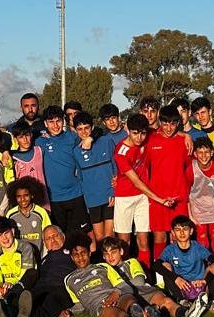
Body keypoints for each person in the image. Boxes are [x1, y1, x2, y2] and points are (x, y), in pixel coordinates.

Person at [61, 237, 166, 317]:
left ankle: (138, 313)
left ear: (89, 253)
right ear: (71, 257)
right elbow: (79, 304)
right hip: (100, 306)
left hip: (117, 297)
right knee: (117, 315)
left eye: (83, 253)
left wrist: (117, 292)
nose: (80, 257)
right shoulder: (69, 280)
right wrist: (69, 311)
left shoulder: (103, 267)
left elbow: (126, 287)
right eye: (76, 255)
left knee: (129, 299)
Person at [113, 115, 163, 265]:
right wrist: (159, 199)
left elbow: (166, 131)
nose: (139, 137)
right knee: (124, 242)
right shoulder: (120, 152)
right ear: (127, 130)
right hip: (124, 197)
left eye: (143, 133)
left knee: (143, 240)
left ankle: (147, 277)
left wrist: (185, 135)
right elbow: (136, 182)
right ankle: (126, 276)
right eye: (135, 133)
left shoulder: (147, 138)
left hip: (142, 197)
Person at [35, 106, 90, 232]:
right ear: (45, 124)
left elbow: (92, 134)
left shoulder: (72, 137)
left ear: (63, 121)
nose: (55, 125)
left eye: (58, 121)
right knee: (62, 236)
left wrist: (89, 139)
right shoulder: (39, 142)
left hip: (76, 194)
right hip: (54, 199)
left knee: (82, 234)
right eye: (51, 122)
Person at [0, 218, 37, 317]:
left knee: (31, 274)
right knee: (3, 295)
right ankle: (11, 315)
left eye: (6, 233)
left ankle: (6, 308)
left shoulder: (26, 248)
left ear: (12, 231)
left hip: (24, 285)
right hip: (7, 289)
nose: (4, 238)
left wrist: (13, 285)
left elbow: (25, 274)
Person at [155, 215, 214, 313]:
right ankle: (182, 300)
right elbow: (156, 265)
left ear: (191, 231)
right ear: (173, 233)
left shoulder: (197, 247)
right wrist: (176, 278)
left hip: (199, 285)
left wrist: (204, 280)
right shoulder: (170, 249)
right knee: (165, 266)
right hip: (182, 286)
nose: (182, 233)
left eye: (185, 229)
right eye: (178, 230)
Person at [74, 113, 118, 243]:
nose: (84, 132)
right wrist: (86, 201)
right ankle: (102, 263)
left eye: (86, 128)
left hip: (109, 196)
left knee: (110, 236)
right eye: (80, 129)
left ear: (92, 127)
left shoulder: (106, 141)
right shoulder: (76, 151)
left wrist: (114, 192)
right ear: (76, 130)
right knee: (99, 238)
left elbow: (116, 168)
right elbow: (81, 178)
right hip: (92, 200)